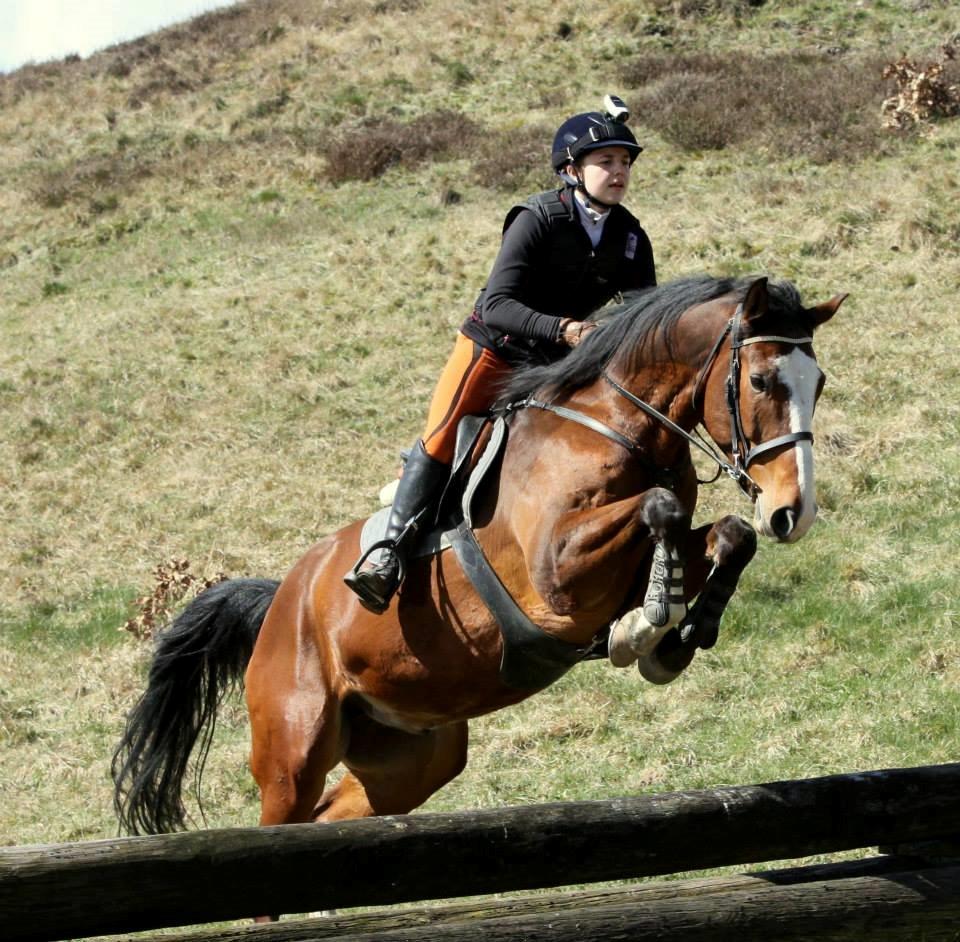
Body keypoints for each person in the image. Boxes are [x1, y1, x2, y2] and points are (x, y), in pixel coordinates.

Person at [344, 95, 657, 613]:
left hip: (556, 364)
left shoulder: (629, 237)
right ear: (571, 169)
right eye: (606, 161)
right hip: (494, 350)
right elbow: (497, 305)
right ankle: (387, 553)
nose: (619, 172)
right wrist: (565, 329)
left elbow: (643, 310)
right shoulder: (537, 218)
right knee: (444, 436)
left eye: (624, 162)